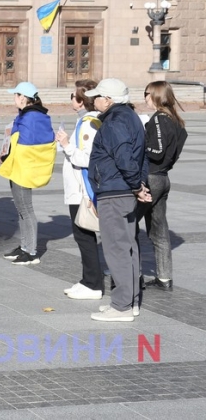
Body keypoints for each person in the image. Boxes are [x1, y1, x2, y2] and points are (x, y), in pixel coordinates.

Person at [86, 78, 151, 322]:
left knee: (116, 249)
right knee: (128, 247)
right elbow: (142, 156)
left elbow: (125, 157)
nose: (95, 100)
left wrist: (136, 185)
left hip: (116, 191)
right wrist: (139, 185)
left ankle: (122, 306)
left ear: (109, 99)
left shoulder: (115, 121)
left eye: (98, 96)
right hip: (123, 189)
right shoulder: (131, 117)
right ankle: (130, 301)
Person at [0, 82, 56, 266]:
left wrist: (10, 150)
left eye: (15, 95)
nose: (14, 98)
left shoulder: (31, 117)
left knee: (26, 209)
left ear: (23, 97)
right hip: (19, 165)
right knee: (21, 209)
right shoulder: (32, 115)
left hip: (24, 167)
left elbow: (27, 145)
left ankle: (31, 252)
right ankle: (24, 246)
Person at [138, 81, 188, 292]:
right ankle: (164, 278)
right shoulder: (176, 120)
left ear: (157, 95)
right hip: (163, 177)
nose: (145, 98)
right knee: (159, 230)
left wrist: (138, 146)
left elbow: (156, 151)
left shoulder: (159, 119)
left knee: (128, 224)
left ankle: (131, 274)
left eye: (146, 94)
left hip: (151, 178)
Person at [55, 80, 102, 300]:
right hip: (78, 187)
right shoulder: (83, 121)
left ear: (81, 100)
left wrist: (66, 145)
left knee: (84, 234)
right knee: (82, 235)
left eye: (73, 97)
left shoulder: (88, 123)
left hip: (82, 189)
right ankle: (87, 280)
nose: (71, 100)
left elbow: (86, 158)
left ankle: (93, 284)